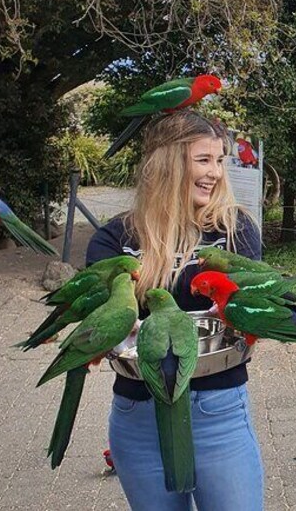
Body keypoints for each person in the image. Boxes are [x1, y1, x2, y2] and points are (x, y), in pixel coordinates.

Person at [86, 111, 264, 511]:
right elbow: (100, 323)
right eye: (203, 160)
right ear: (168, 163)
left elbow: (251, 315)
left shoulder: (235, 232)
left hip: (216, 410)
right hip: (139, 415)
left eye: (220, 161)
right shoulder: (113, 240)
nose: (216, 173)